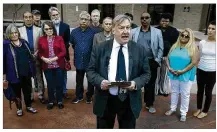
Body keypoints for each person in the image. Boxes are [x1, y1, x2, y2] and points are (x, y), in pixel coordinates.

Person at [87, 14, 150, 129]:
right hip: (106, 99)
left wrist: (135, 84)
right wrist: (100, 82)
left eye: (128, 27)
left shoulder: (139, 50)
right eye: (121, 28)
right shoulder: (100, 48)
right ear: (113, 30)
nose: (126, 31)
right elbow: (90, 71)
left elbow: (146, 74)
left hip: (129, 100)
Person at [130, 12, 163, 114]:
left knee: (150, 84)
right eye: (142, 18)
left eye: (146, 18)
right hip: (136, 60)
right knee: (135, 82)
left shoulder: (157, 32)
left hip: (151, 61)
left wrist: (157, 60)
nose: (144, 20)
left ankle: (149, 104)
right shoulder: (134, 31)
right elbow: (130, 45)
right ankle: (134, 102)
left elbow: (161, 48)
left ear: (150, 19)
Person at [165, 28, 199, 122]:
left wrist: (182, 71)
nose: (183, 37)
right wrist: (169, 68)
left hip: (186, 75)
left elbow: (193, 62)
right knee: (174, 91)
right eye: (182, 35)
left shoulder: (193, 48)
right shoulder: (174, 46)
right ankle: (172, 108)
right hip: (173, 73)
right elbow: (167, 58)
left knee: (185, 94)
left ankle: (183, 113)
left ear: (190, 38)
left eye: (186, 36)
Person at [3, 24, 37, 116]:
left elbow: (30, 55)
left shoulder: (24, 42)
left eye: (15, 32)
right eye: (12, 33)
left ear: (18, 33)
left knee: (27, 90)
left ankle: (29, 106)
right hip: (14, 74)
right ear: (8, 34)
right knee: (16, 91)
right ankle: (19, 108)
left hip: (26, 72)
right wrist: (3, 75)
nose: (14, 35)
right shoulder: (5, 44)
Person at [18, 11, 46, 104]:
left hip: (37, 56)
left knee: (39, 76)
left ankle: (41, 95)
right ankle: (30, 95)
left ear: (33, 18)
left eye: (30, 17)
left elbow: (41, 44)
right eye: (26, 17)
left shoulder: (39, 30)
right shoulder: (19, 30)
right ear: (23, 18)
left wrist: (37, 53)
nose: (28, 19)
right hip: (25, 58)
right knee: (27, 78)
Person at [38, 21, 66, 110]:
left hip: (58, 65)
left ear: (53, 29)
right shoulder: (41, 39)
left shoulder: (59, 38)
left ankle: (60, 101)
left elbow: (63, 52)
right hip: (47, 66)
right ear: (44, 30)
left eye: (50, 28)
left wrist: (54, 59)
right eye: (46, 29)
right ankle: (51, 101)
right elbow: (40, 52)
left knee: (59, 84)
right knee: (50, 84)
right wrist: (43, 59)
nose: (49, 30)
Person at [70, 11, 96, 104]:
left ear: (89, 21)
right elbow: (73, 44)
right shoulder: (74, 32)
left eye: (86, 19)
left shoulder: (93, 32)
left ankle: (89, 97)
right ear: (79, 20)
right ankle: (79, 96)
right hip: (79, 61)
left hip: (89, 61)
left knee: (90, 81)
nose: (84, 21)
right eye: (82, 19)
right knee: (79, 81)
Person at [193, 21, 216, 119]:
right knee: (200, 91)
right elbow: (199, 56)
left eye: (213, 29)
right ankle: (198, 108)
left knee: (208, 92)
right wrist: (197, 67)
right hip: (201, 69)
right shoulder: (202, 42)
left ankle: (205, 111)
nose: (210, 30)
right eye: (209, 28)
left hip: (212, 71)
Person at [48, 6, 70, 99]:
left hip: (63, 55)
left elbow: (67, 42)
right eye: (53, 15)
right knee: (53, 74)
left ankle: (64, 91)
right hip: (50, 55)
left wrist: (60, 50)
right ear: (50, 16)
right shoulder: (47, 27)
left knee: (63, 74)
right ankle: (53, 91)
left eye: (57, 14)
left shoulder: (65, 26)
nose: (56, 16)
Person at [155, 13, 179, 96]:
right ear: (159, 21)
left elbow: (176, 44)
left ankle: (164, 90)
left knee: (165, 75)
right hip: (157, 56)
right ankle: (156, 90)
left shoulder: (174, 31)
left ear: (169, 21)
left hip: (168, 56)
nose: (164, 23)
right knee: (157, 74)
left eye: (167, 21)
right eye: (162, 21)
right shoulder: (155, 30)